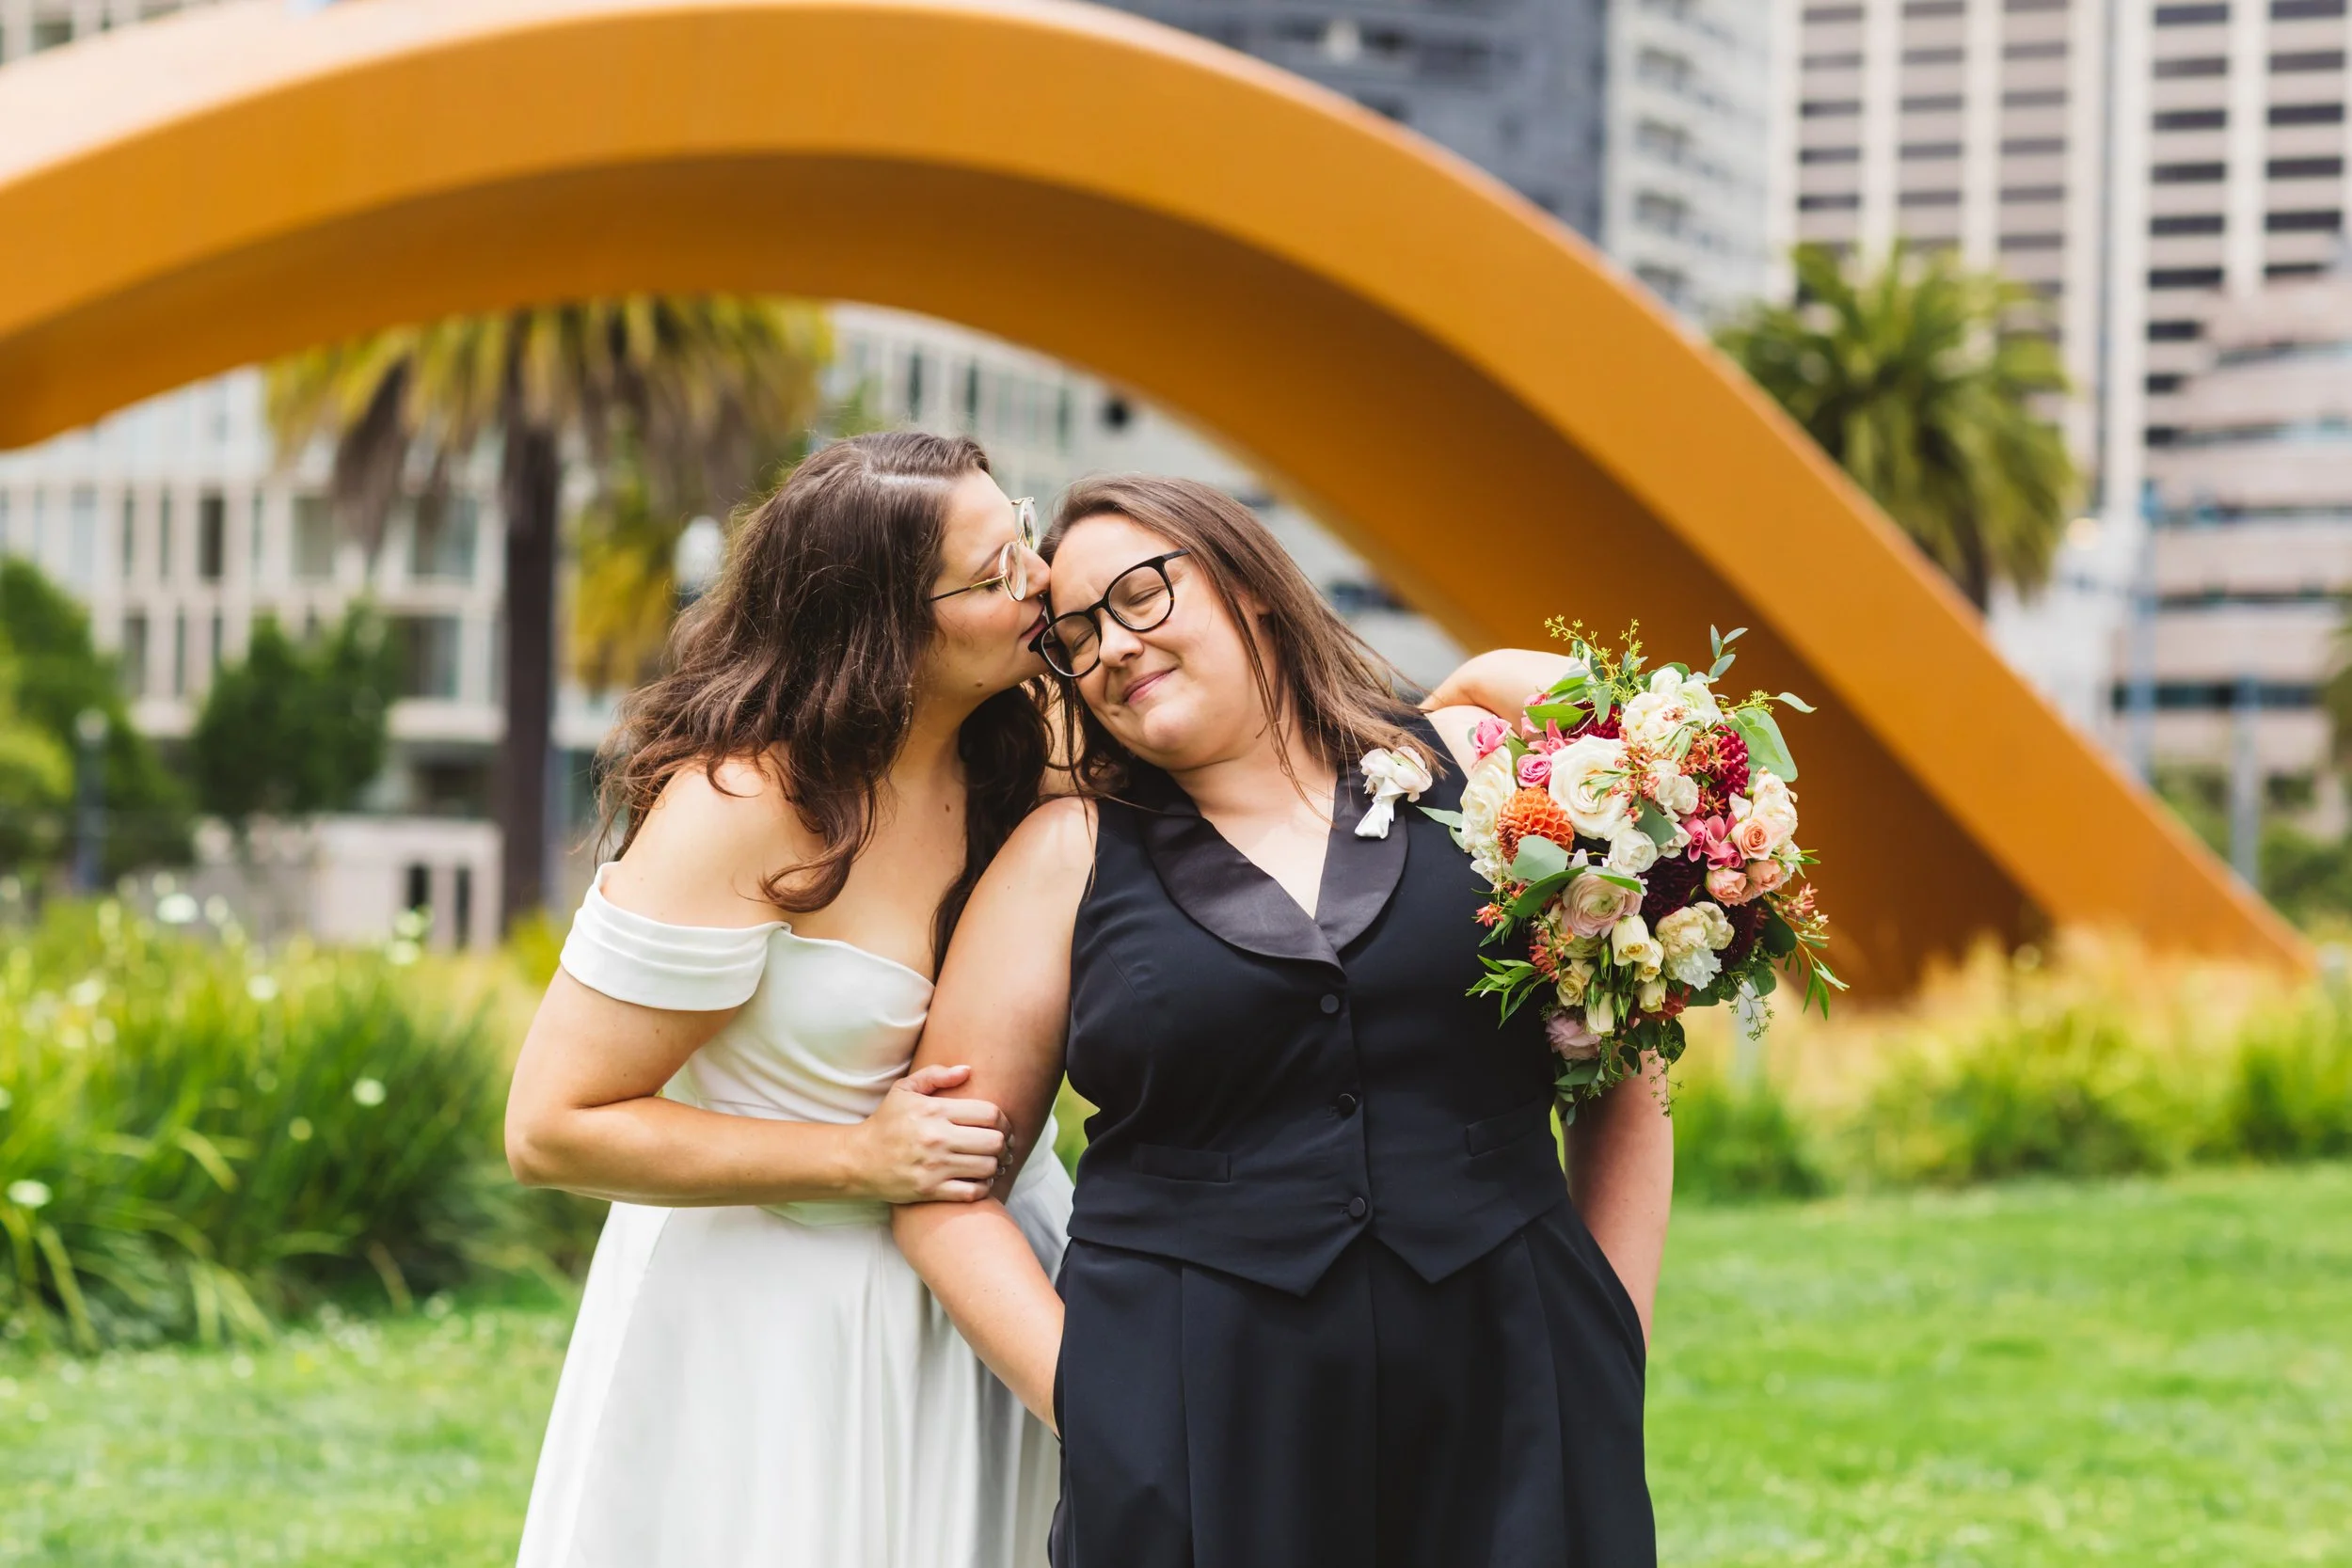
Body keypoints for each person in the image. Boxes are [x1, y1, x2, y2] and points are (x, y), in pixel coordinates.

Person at [895, 475, 1670, 1568]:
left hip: (1518, 1390)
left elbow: (1623, 1072)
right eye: (1075, 633)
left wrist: (1604, 1342)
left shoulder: (1477, 776)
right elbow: (944, 1187)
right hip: (1201, 1425)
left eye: (1140, 596)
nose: (1111, 644)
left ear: (1249, 585)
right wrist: (1101, 1403)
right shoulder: (1063, 855)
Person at [502, 432, 1072, 1567]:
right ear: (883, 627)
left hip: (999, 1290)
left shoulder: (1031, 755)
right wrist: (859, 1160)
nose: (1041, 584)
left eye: (1027, 540)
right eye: (994, 573)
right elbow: (551, 1125)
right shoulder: (744, 801)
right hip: (770, 1330)